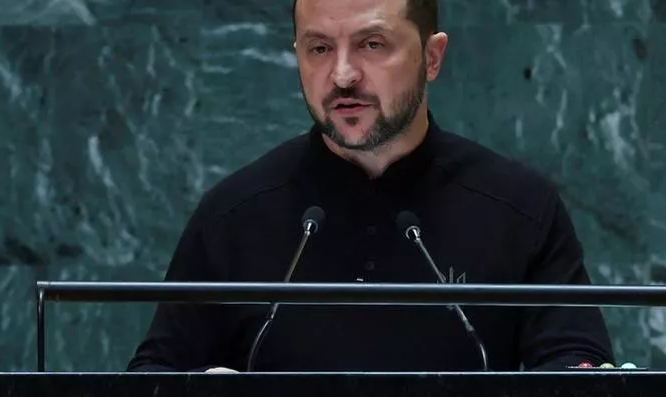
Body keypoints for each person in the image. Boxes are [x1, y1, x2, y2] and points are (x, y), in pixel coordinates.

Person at [126, 0, 614, 373]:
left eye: (372, 45)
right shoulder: (233, 215)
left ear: (432, 56)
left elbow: (574, 375)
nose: (341, 75)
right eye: (319, 48)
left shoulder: (519, 209)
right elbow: (154, 385)